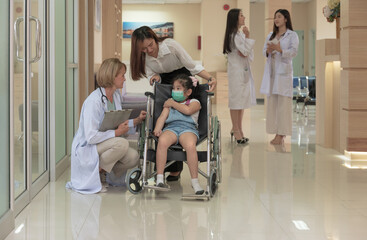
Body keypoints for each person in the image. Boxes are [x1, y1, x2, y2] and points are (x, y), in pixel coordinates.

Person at [130, 26, 217, 181]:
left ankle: (179, 168)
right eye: (144, 49)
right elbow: (151, 73)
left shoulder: (170, 46)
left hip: (183, 80)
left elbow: (192, 66)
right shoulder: (144, 57)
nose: (149, 50)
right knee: (166, 123)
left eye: (151, 44)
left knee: (183, 117)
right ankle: (167, 170)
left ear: (155, 38)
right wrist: (155, 77)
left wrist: (209, 77)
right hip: (164, 83)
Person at [66, 58, 146, 194]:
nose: (124, 79)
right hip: (88, 146)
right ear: (112, 76)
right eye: (122, 75)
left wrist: (136, 121)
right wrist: (116, 133)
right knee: (121, 144)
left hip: (105, 143)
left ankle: (105, 174)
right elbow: (91, 137)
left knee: (133, 157)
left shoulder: (115, 96)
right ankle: (94, 174)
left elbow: (118, 123)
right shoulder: (94, 101)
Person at [153, 74, 204, 195]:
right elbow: (162, 117)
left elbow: (188, 111)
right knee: (162, 142)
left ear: (188, 91)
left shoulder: (194, 102)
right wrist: (157, 128)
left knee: (190, 146)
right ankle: (160, 178)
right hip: (171, 128)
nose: (174, 91)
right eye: (173, 88)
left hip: (188, 129)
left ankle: (195, 181)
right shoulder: (169, 104)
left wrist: (172, 103)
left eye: (178, 88)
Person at [260, 9, 299, 145]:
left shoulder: (292, 35)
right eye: (275, 17)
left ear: (286, 19)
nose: (276, 19)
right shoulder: (270, 35)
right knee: (273, 104)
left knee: (283, 104)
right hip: (271, 73)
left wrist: (280, 49)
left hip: (283, 74)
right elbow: (264, 50)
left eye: (279, 17)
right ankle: (275, 131)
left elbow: (294, 52)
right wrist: (268, 51)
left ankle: (281, 134)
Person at [223, 8, 256, 144]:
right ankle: (236, 130)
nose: (244, 18)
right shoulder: (233, 35)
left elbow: (248, 53)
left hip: (243, 71)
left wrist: (246, 37)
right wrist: (248, 37)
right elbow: (244, 53)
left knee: (241, 101)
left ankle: (238, 128)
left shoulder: (239, 34)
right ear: (235, 18)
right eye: (241, 16)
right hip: (236, 72)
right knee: (236, 101)